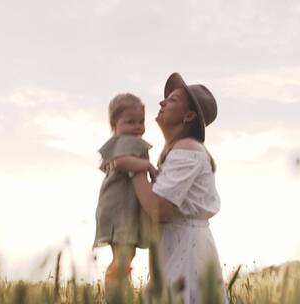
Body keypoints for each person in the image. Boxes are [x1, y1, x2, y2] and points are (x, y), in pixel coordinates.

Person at [124, 73, 226, 303]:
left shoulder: (187, 150)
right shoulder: (178, 151)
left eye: (173, 100)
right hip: (178, 248)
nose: (162, 102)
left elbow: (159, 207)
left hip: (186, 255)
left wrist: (135, 167)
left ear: (189, 115)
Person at [92, 93, 157, 293]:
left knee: (124, 255)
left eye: (141, 121)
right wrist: (147, 165)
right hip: (120, 209)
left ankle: (119, 290)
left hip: (117, 207)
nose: (137, 127)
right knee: (124, 256)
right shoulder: (128, 142)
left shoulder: (121, 141)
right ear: (114, 123)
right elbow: (121, 162)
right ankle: (115, 293)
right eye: (130, 122)